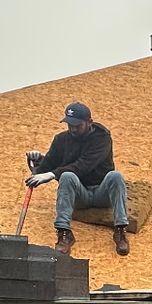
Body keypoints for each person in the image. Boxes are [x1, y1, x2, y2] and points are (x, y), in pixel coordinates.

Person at [27, 101, 129, 256]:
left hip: (102, 193)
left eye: (77, 125)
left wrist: (52, 174)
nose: (73, 129)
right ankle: (64, 233)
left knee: (116, 176)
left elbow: (84, 165)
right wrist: (38, 161)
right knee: (67, 176)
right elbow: (46, 168)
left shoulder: (102, 139)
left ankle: (120, 230)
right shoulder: (61, 140)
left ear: (89, 122)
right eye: (70, 125)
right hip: (80, 196)